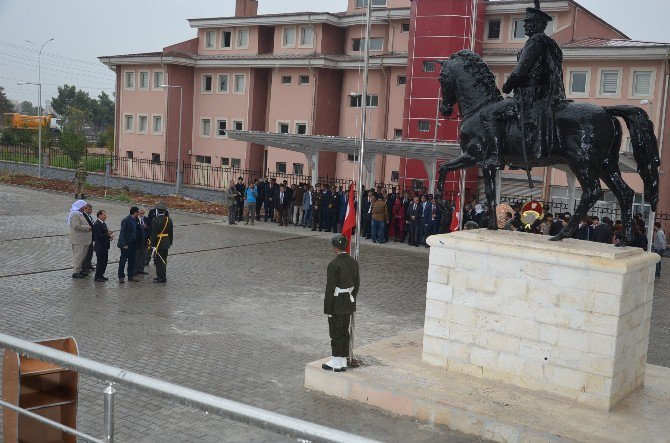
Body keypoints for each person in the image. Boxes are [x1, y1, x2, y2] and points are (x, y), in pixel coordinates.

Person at [480, 0, 565, 170]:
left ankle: (496, 157)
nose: (525, 25)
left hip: (529, 96)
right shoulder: (548, 43)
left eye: (529, 22)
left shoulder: (535, 42)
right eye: (525, 22)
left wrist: (507, 87)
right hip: (542, 94)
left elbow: (520, 72)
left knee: (488, 114)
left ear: (538, 24)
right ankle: (517, 155)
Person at [322, 234, 360, 373]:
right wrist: (351, 298)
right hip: (348, 303)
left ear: (335, 248)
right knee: (345, 332)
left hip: (337, 304)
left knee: (336, 333)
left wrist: (328, 309)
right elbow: (357, 285)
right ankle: (343, 360)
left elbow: (330, 288)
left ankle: (336, 361)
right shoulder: (353, 262)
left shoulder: (334, 264)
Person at [68, 200, 92, 279]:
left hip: (83, 239)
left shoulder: (79, 213)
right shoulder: (75, 214)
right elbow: (76, 226)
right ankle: (76, 271)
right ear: (80, 206)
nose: (85, 208)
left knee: (82, 256)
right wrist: (87, 228)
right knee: (78, 256)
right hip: (78, 239)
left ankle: (80, 269)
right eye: (84, 206)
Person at [150, 202, 173, 284]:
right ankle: (162, 276)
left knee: (159, 261)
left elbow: (154, 234)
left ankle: (161, 278)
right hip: (166, 242)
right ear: (164, 211)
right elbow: (171, 232)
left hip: (158, 243)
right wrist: (170, 242)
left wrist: (153, 245)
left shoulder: (155, 220)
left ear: (157, 210)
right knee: (164, 259)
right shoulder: (169, 219)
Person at [117, 206, 140, 283]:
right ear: (135, 212)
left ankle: (131, 276)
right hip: (126, 244)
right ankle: (121, 276)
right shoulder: (126, 220)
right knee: (123, 260)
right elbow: (122, 233)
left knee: (132, 260)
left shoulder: (136, 220)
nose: (139, 214)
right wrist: (124, 244)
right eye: (138, 212)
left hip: (133, 243)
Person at [93, 210, 112, 282]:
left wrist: (109, 237)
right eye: (104, 215)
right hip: (100, 247)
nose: (106, 216)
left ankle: (101, 275)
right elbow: (98, 236)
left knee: (104, 261)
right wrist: (107, 234)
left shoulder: (103, 223)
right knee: (100, 262)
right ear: (99, 216)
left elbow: (104, 234)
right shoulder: (97, 224)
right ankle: (97, 276)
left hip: (105, 246)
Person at [135, 207, 150, 275]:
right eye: (141, 213)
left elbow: (149, 228)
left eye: (143, 213)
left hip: (144, 240)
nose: (142, 214)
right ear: (138, 213)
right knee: (137, 256)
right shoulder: (135, 219)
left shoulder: (146, 219)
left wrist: (146, 227)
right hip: (137, 241)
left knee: (143, 255)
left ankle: (141, 269)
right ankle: (135, 270)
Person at [81, 203, 95, 273]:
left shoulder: (89, 216)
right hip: (86, 237)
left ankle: (89, 265)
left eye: (91, 209)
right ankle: (85, 267)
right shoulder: (83, 216)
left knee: (90, 252)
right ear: (85, 209)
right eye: (89, 209)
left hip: (91, 237)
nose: (90, 211)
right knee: (86, 253)